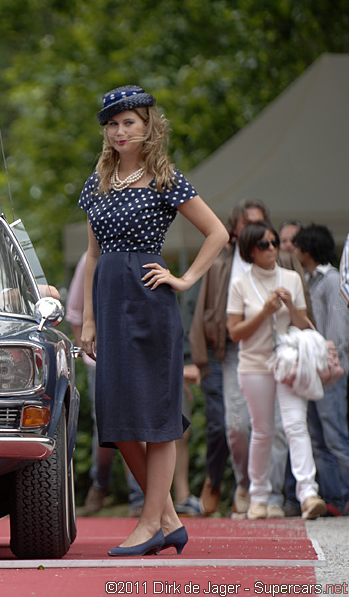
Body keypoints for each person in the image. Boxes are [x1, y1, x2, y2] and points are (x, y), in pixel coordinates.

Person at [78, 85, 227, 556]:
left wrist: (185, 279)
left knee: (157, 418)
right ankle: (168, 518)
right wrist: (87, 322)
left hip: (150, 303)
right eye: (113, 124)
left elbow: (218, 232)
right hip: (107, 300)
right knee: (117, 420)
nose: (120, 131)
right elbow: (93, 253)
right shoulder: (96, 182)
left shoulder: (166, 179)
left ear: (147, 126)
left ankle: (150, 525)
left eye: (129, 122)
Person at [190, 200, 301, 518]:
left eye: (261, 225)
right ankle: (246, 485)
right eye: (248, 224)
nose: (258, 234)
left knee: (277, 426)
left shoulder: (285, 262)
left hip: (279, 349)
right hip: (233, 350)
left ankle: (272, 496)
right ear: (235, 230)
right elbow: (203, 311)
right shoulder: (221, 262)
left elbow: (303, 307)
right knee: (235, 426)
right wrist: (199, 358)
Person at [226, 221, 326, 520]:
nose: (272, 249)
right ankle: (258, 495)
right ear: (249, 251)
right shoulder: (240, 283)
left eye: (273, 242)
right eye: (263, 245)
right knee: (263, 431)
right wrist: (266, 311)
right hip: (254, 365)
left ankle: (308, 493)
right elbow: (234, 333)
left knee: (295, 425)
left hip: (287, 361)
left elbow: (300, 323)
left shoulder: (292, 278)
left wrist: (290, 307)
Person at [66, 251, 144, 516]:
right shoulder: (89, 258)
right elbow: (75, 313)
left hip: (136, 355)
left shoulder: (138, 254)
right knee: (107, 428)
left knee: (136, 424)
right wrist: (87, 350)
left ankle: (139, 497)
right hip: (101, 360)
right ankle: (100, 482)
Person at [292, 224, 349, 516]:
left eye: (298, 246)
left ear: (308, 249)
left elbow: (338, 328)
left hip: (329, 371)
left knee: (335, 434)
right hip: (314, 371)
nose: (295, 251)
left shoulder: (331, 280)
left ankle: (345, 494)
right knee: (318, 436)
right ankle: (334, 498)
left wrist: (330, 360)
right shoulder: (310, 280)